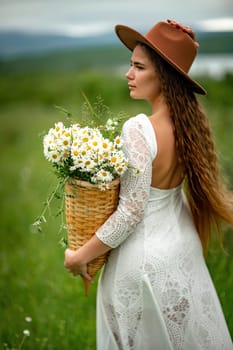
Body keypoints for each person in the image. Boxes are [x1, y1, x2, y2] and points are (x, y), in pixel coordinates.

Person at [64, 19, 233, 349]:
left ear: (165, 76)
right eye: (131, 65)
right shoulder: (191, 124)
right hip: (181, 250)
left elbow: (130, 213)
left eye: (139, 67)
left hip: (140, 263)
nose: (129, 74)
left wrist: (80, 256)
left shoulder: (138, 129)